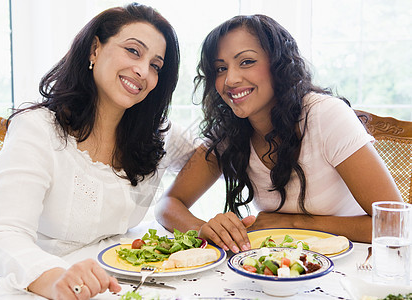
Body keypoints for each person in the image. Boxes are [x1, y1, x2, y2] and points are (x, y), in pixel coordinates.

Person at [0, 3, 196, 299]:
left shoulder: (156, 135)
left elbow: (220, 155)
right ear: (94, 50)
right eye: (133, 51)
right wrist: (56, 279)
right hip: (44, 287)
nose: (143, 70)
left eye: (156, 65)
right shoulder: (38, 128)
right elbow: (1, 236)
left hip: (122, 287)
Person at [155, 14, 403, 254]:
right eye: (220, 68)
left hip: (355, 265)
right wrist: (204, 230)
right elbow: (168, 205)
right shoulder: (230, 130)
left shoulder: (325, 116)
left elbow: (396, 224)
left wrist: (294, 224)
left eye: (246, 62)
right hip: (283, 265)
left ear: (278, 64)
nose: (230, 79)